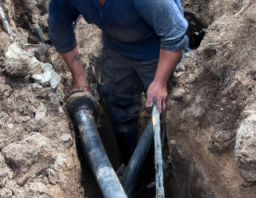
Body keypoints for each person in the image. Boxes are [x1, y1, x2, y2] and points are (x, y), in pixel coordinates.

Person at [48, 0, 188, 165]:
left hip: (159, 50)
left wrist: (160, 83)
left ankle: (164, 162)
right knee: (117, 105)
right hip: (116, 49)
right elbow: (60, 29)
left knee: (166, 110)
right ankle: (129, 163)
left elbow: (174, 33)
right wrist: (79, 78)